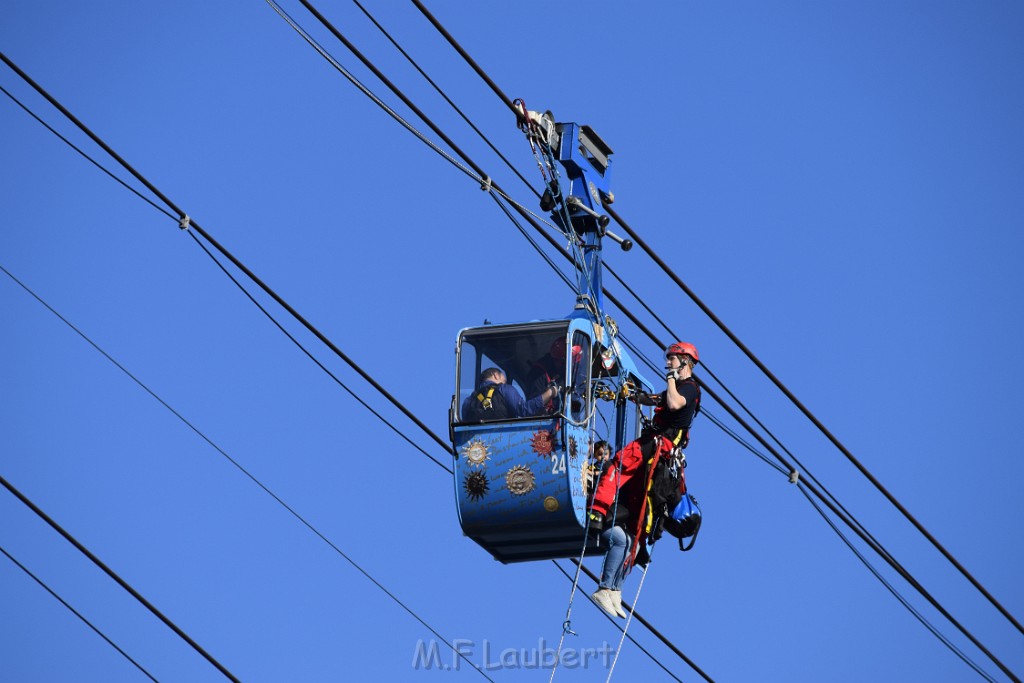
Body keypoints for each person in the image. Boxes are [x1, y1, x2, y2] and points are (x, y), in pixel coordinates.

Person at [589, 342, 701, 619]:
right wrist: (631, 395)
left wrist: (673, 378)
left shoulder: (688, 388)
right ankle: (611, 589)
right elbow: (658, 400)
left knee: (617, 465)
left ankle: (598, 511)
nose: (668, 363)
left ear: (685, 361)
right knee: (634, 532)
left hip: (656, 448)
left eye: (673, 359)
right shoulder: (680, 388)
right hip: (662, 454)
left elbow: (674, 402)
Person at [461, 367, 559, 422]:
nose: (504, 383)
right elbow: (525, 410)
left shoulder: (468, 401)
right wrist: (550, 392)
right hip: (506, 440)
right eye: (504, 380)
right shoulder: (504, 389)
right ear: (495, 375)